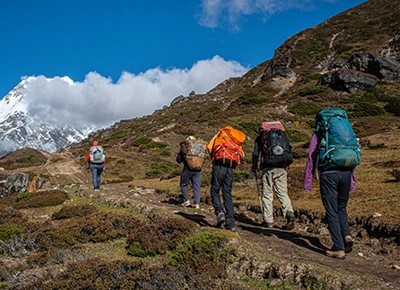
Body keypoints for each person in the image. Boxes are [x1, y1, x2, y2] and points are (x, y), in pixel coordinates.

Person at [304, 112, 356, 259]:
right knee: (341, 207)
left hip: (329, 174)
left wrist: (308, 183)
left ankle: (338, 248)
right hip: (346, 172)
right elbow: (353, 154)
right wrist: (352, 181)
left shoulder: (319, 133)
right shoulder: (347, 131)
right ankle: (346, 235)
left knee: (331, 210)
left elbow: (311, 158)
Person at [251, 121, 295, 230]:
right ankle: (289, 212)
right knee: (283, 193)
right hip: (281, 167)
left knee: (267, 195)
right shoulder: (281, 135)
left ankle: (268, 221)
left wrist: (254, 167)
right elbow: (289, 148)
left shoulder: (261, 137)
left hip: (268, 168)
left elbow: (256, 153)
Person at [208, 126, 246, 232]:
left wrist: (213, 158)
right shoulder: (235, 138)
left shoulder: (221, 135)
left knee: (215, 190)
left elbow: (210, 148)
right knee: (227, 194)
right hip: (230, 168)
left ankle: (220, 212)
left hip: (219, 166)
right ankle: (231, 223)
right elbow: (242, 155)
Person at [176, 136, 202, 209]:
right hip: (198, 170)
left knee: (183, 184)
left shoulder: (185, 149)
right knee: (196, 187)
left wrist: (181, 151)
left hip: (187, 169)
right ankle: (197, 204)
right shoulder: (199, 148)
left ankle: (186, 200)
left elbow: (178, 160)